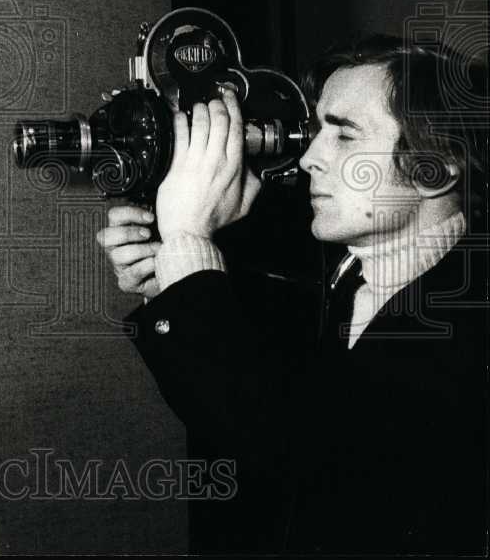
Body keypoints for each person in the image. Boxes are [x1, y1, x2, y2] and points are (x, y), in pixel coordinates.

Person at [97, 35, 487, 554]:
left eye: (344, 136)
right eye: (319, 130)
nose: (309, 159)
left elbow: (293, 457)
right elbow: (258, 401)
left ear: (435, 167)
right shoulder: (343, 276)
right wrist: (173, 276)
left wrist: (191, 246)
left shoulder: (470, 323)